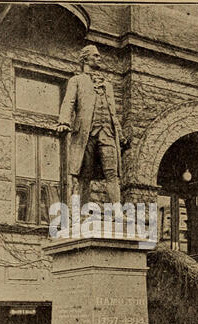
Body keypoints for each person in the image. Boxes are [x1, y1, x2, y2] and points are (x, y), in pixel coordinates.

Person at [57, 45, 127, 206]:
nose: (99, 58)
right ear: (85, 59)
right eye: (95, 56)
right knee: (84, 175)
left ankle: (117, 211)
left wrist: (120, 135)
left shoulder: (107, 85)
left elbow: (113, 113)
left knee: (112, 173)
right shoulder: (76, 81)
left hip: (108, 134)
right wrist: (63, 121)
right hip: (86, 133)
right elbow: (69, 102)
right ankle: (82, 212)